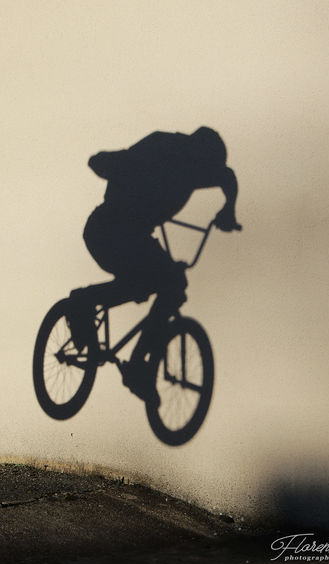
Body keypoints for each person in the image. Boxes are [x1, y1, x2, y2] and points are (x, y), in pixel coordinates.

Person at [68, 127, 240, 403]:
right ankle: (89, 311)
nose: (204, 171)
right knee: (165, 282)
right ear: (195, 150)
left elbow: (227, 177)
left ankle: (136, 361)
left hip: (135, 237)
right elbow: (104, 161)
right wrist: (120, 169)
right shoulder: (162, 147)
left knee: (163, 283)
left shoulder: (193, 169)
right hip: (107, 229)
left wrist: (229, 209)